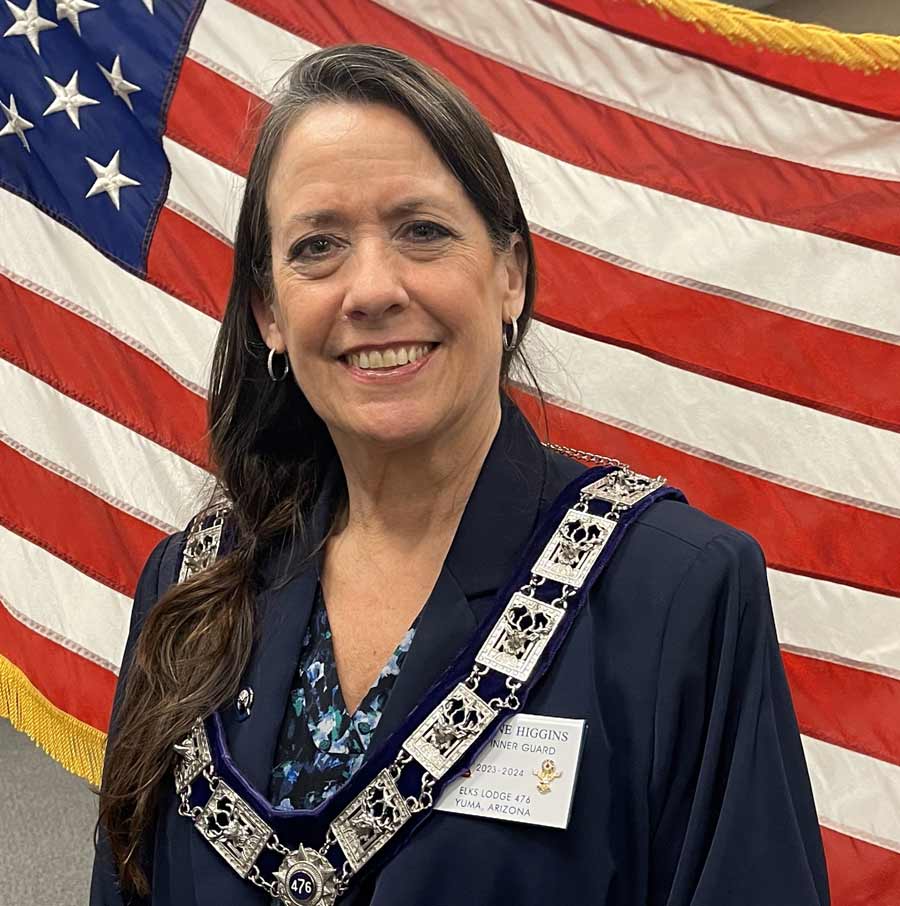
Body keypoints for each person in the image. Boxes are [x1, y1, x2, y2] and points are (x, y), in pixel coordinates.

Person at [90, 43, 830, 906]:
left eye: (423, 231)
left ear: (510, 275)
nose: (372, 290)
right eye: (319, 245)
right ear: (269, 314)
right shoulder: (190, 584)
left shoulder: (678, 593)